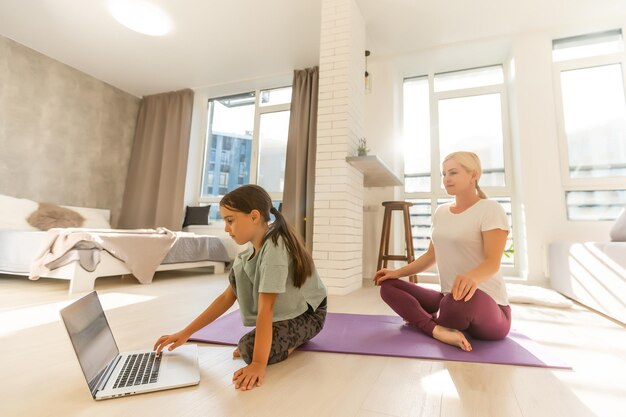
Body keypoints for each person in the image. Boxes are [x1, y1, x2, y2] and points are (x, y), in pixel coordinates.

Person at [154, 184, 327, 391]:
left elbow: (266, 309)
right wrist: (185, 332)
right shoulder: (246, 256)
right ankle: (280, 341)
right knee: (247, 339)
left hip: (310, 314)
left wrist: (258, 364)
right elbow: (226, 298)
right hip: (287, 312)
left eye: (230, 220)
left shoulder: (275, 250)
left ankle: (296, 342)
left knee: (248, 348)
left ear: (254, 216)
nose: (226, 228)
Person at [372, 151, 511, 352]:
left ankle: (431, 320)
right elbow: (431, 256)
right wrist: (397, 273)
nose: (446, 179)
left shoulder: (490, 209)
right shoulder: (441, 212)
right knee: (388, 286)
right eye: (444, 174)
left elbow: (493, 262)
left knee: (455, 304)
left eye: (453, 173)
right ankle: (436, 330)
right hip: (449, 298)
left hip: (489, 307)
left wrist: (472, 277)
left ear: (474, 175)